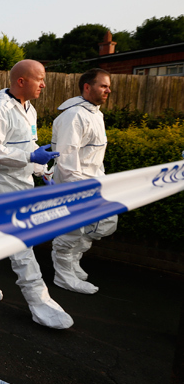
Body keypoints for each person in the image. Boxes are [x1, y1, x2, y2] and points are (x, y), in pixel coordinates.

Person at [0, 59, 74, 330]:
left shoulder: (28, 109)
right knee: (22, 240)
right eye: (40, 79)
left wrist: (42, 170)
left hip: (20, 181)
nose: (44, 84)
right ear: (21, 81)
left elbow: (29, 147)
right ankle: (39, 301)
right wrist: (28, 155)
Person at [51, 68, 117, 294]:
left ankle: (73, 261)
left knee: (105, 223)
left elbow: (94, 156)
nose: (108, 90)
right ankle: (63, 275)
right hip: (76, 185)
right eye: (103, 86)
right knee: (71, 230)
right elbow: (67, 158)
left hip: (95, 182)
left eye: (108, 86)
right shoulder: (74, 116)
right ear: (87, 87)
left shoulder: (96, 114)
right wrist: (76, 191)